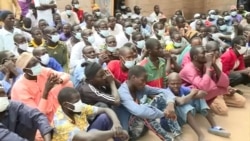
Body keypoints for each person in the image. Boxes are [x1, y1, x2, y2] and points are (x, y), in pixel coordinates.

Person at [115, 65, 179, 141]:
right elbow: (139, 111)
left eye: (145, 81)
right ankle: (167, 139)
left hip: (140, 126)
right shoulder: (123, 92)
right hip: (127, 132)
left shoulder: (140, 88)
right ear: (133, 78)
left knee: (162, 98)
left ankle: (176, 133)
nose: (144, 83)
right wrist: (163, 114)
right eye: (142, 80)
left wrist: (170, 104)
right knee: (144, 111)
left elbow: (165, 91)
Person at [164, 72, 230, 141]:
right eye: (172, 84)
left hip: (179, 118)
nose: (175, 86)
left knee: (198, 99)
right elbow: (180, 101)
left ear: (181, 83)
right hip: (170, 124)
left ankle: (214, 126)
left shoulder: (181, 88)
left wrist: (195, 94)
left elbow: (201, 93)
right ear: (168, 84)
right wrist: (192, 94)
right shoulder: (166, 92)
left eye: (178, 83)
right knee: (183, 106)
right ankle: (200, 135)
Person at [179, 46, 245, 115]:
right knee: (222, 110)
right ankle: (202, 107)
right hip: (192, 95)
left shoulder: (205, 65)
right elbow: (204, 87)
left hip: (211, 91)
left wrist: (213, 64)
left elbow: (225, 83)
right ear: (195, 57)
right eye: (203, 53)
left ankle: (210, 103)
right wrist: (208, 67)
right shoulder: (189, 68)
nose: (207, 55)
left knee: (241, 101)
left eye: (206, 52)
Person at [11, 52, 73, 123]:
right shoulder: (20, 88)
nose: (38, 66)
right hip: (38, 117)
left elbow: (66, 75)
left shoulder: (41, 70)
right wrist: (46, 92)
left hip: (52, 107)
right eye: (34, 65)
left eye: (37, 62)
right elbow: (36, 114)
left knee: (68, 83)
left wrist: (59, 80)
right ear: (26, 70)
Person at [53, 87, 129, 141]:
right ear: (66, 105)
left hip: (86, 133)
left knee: (104, 118)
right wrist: (116, 132)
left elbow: (106, 109)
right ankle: (119, 136)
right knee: (101, 136)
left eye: (80, 99)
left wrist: (117, 123)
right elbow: (88, 137)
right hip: (84, 137)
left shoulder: (77, 107)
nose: (80, 102)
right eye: (76, 101)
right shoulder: (60, 122)